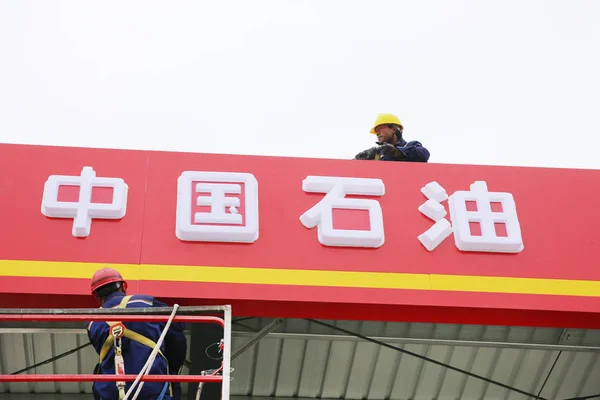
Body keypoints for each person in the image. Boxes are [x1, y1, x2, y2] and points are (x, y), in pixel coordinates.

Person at [87, 267, 187, 400]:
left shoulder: (92, 323)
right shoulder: (144, 302)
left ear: (97, 297)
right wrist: (173, 373)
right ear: (123, 287)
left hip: (111, 393)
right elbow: (177, 329)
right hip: (152, 389)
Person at [354, 113, 430, 162]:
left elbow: (424, 155)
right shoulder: (381, 158)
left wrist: (396, 152)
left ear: (393, 129)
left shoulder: (410, 146)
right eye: (376, 131)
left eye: (380, 128)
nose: (377, 133)